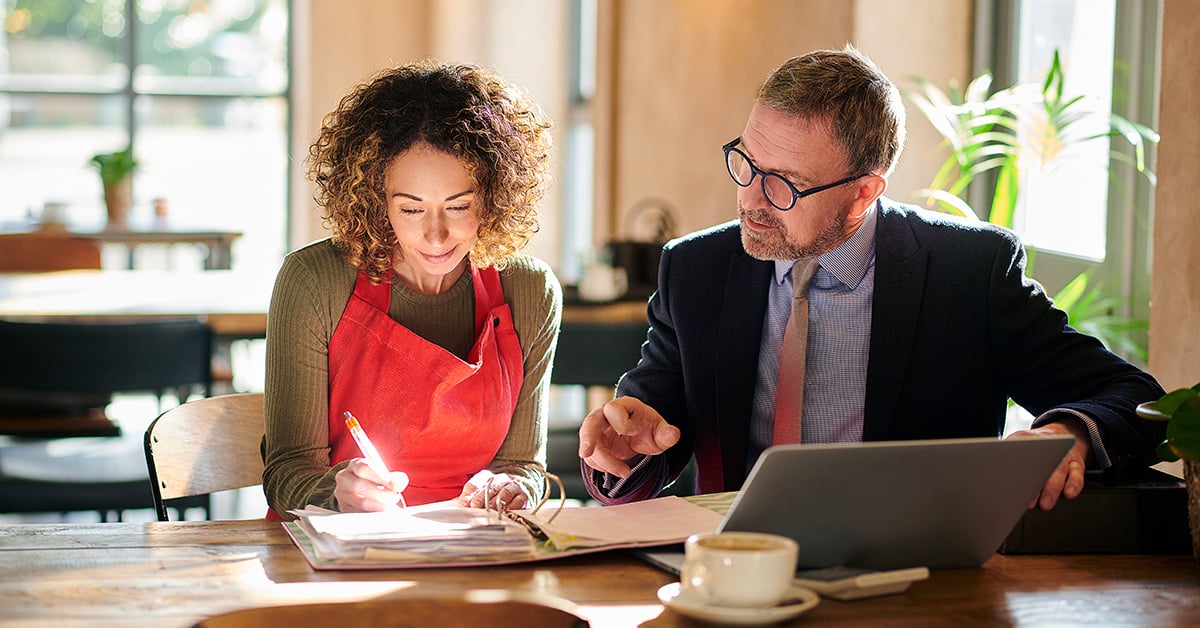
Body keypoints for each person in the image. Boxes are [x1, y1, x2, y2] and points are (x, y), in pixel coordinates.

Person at [578, 45, 1165, 510]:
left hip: (916, 580)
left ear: (864, 193)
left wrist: (1071, 432)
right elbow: (644, 428)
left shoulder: (966, 274)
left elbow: (1136, 400)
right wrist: (620, 448)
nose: (750, 199)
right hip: (733, 576)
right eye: (746, 163)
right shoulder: (697, 269)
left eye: (782, 182)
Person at [263, 62, 560, 520]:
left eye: (458, 207)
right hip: (342, 551)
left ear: (494, 197)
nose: (436, 236)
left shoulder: (529, 290)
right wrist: (335, 491)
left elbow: (525, 466)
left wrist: (513, 486)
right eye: (412, 209)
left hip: (478, 549)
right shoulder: (315, 281)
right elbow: (285, 474)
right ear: (376, 201)